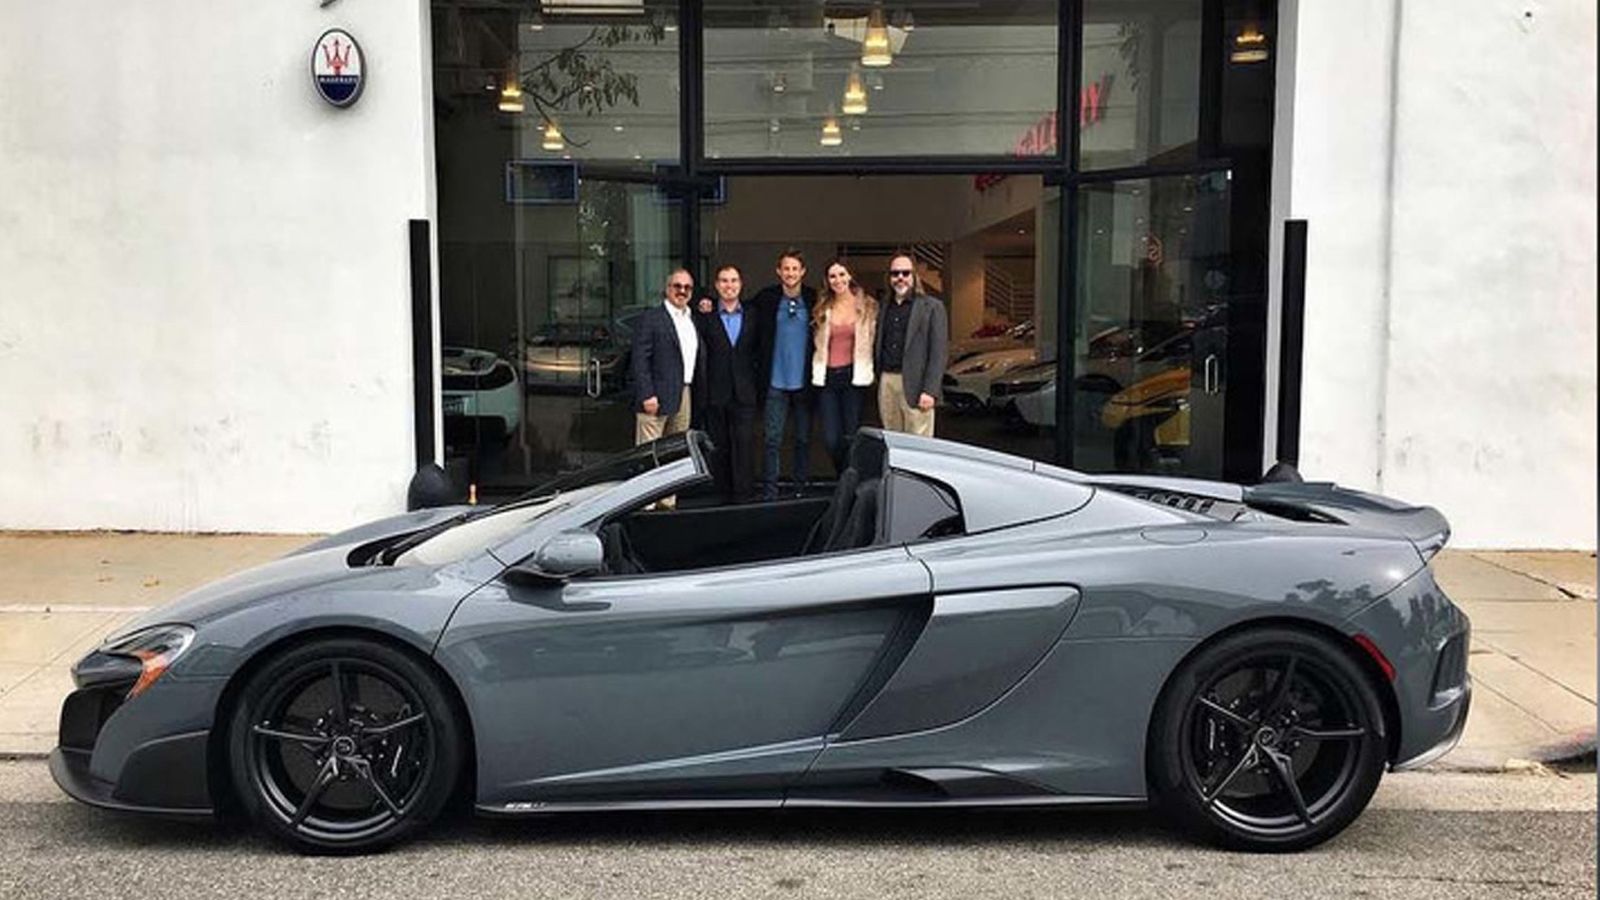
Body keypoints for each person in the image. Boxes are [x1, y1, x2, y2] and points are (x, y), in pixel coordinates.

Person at [751, 248, 817, 500]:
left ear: (802, 272)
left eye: (795, 268)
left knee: (802, 439)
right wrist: (707, 303)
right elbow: (738, 307)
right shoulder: (766, 298)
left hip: (803, 383)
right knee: (772, 440)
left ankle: (799, 488)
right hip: (775, 382)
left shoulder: (814, 298)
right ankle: (771, 491)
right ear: (779, 271)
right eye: (786, 268)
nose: (790, 273)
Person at [694, 264, 761, 503]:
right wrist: (701, 301)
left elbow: (760, 353)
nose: (729, 285)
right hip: (716, 391)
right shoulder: (705, 316)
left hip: (745, 391)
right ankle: (721, 494)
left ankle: (744, 496)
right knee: (719, 446)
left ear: (741, 285)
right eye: (724, 281)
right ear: (716, 285)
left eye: (733, 280)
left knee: (744, 444)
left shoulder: (753, 314)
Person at [810, 259, 877, 474]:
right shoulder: (823, 307)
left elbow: (875, 339)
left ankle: (849, 480)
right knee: (830, 438)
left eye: (841, 274)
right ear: (827, 281)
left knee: (851, 435)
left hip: (853, 376)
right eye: (832, 276)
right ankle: (842, 474)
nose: (837, 280)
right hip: (828, 377)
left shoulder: (867, 306)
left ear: (850, 276)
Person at [874, 253, 948, 436]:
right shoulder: (884, 306)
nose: (900, 278)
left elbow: (938, 353)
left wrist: (930, 390)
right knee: (892, 439)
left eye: (905, 273)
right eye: (895, 273)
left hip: (917, 385)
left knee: (919, 445)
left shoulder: (932, 307)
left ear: (914, 276)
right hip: (887, 381)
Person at [631, 268, 703, 445]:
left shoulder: (692, 318)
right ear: (667, 288)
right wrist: (647, 394)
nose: (682, 291)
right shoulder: (651, 318)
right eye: (677, 286)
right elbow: (640, 359)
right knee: (649, 454)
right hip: (655, 396)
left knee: (676, 451)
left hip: (683, 393)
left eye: (687, 287)